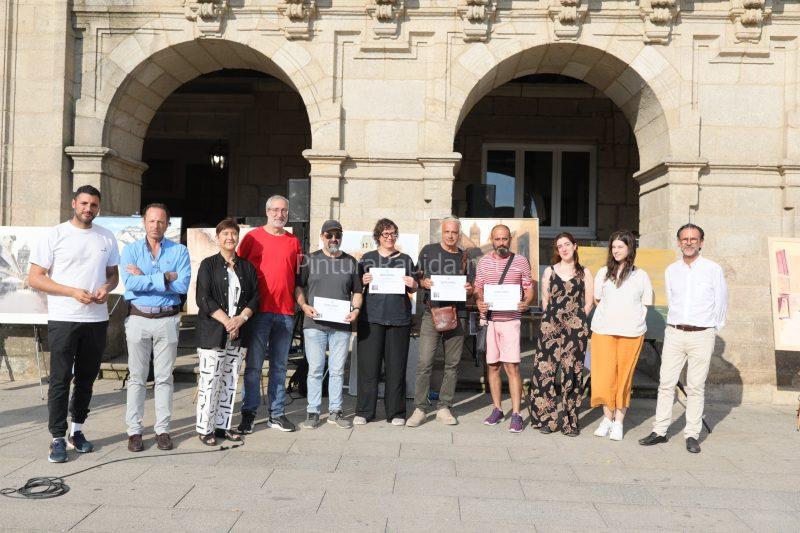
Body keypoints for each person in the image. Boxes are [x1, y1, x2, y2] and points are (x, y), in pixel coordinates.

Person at [29, 185, 119, 463]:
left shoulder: (106, 236)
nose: (88, 209)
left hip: (96, 319)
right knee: (59, 380)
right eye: (84, 203)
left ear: (98, 208)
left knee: (86, 379)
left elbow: (113, 275)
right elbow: (35, 277)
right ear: (73, 204)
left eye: (93, 205)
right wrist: (71, 292)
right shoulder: (55, 235)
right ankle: (57, 438)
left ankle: (76, 431)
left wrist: (106, 288)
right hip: (64, 318)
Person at [639, 223, 727, 454]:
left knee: (695, 387)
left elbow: (721, 302)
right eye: (685, 239)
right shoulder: (671, 270)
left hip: (702, 334)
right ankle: (660, 431)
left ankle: (692, 435)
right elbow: (672, 299)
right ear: (679, 242)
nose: (689, 243)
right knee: (666, 384)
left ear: (701, 242)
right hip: (675, 333)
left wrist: (711, 328)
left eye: (693, 239)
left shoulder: (713, 269)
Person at [121, 203, 191, 452]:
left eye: (161, 221)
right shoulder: (130, 250)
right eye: (151, 220)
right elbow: (130, 283)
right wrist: (164, 277)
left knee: (164, 378)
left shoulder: (179, 251)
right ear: (144, 222)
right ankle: (134, 431)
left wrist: (145, 277)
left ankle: (163, 430)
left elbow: (182, 286)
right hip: (138, 318)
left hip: (167, 318)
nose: (156, 225)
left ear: (168, 224)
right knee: (137, 378)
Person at [237, 195, 302, 434]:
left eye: (283, 210)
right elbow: (239, 270)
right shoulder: (252, 237)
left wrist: (301, 304)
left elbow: (298, 277)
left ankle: (277, 414)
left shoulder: (294, 241)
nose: (279, 214)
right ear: (267, 212)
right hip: (258, 312)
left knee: (280, 367)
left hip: (285, 313)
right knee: (254, 366)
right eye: (275, 210)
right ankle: (248, 414)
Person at [194, 218, 258, 445]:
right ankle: (205, 429)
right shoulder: (208, 265)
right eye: (225, 234)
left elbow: (255, 297)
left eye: (233, 234)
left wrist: (240, 320)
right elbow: (203, 297)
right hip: (213, 332)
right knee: (210, 381)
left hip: (238, 333)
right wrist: (227, 322)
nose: (230, 238)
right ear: (218, 237)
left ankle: (222, 426)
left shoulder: (247, 267)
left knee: (230, 381)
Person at [295, 220, 362, 430]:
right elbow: (299, 287)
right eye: (329, 235)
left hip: (341, 325)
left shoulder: (351, 262)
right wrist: (304, 306)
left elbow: (357, 291)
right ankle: (313, 411)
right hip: (314, 323)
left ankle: (335, 411)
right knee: (315, 369)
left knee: (337, 370)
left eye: (337, 235)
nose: (334, 239)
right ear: (322, 236)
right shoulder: (309, 260)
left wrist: (356, 310)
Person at [407, 216, 473, 427]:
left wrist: (469, 289)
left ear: (459, 234)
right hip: (432, 312)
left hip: (457, 314)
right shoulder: (428, 251)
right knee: (425, 362)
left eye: (454, 232)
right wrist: (423, 282)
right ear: (441, 233)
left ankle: (444, 407)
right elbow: (416, 277)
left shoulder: (465, 257)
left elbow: (471, 287)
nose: (450, 236)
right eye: (447, 232)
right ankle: (420, 408)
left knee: (452, 364)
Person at [590, 230, 652, 442]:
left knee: (624, 378)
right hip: (603, 331)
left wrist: (632, 321)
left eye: (620, 247)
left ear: (630, 248)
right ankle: (607, 419)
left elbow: (646, 303)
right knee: (604, 376)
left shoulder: (640, 275)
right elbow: (598, 299)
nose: (616, 251)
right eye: (613, 247)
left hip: (631, 333)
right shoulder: (603, 273)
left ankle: (619, 422)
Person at [529, 233, 593, 436]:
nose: (564, 249)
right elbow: (545, 301)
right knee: (545, 371)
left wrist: (577, 321)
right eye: (560, 246)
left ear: (575, 246)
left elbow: (589, 303)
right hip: (551, 327)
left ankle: (569, 422)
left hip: (575, 328)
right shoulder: (549, 271)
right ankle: (547, 419)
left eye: (567, 244)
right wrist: (553, 321)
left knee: (572, 373)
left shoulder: (585, 272)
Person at [355, 218, 418, 426]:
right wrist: (362, 282)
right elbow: (356, 287)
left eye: (393, 234)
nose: (390, 238)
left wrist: (414, 284)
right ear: (378, 237)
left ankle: (396, 413)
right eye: (386, 234)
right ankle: (364, 411)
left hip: (398, 320)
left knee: (396, 368)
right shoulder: (367, 259)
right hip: (370, 318)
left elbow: (414, 287)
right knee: (368, 368)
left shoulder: (406, 259)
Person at [474, 225, 534, 433]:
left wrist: (526, 302)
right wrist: (479, 301)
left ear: (510, 239)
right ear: (492, 239)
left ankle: (516, 414)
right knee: (492, 367)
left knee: (512, 368)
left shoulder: (521, 261)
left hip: (510, 320)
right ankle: (498, 409)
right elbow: (478, 287)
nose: (501, 242)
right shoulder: (483, 262)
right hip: (490, 320)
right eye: (497, 239)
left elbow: (528, 288)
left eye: (505, 239)